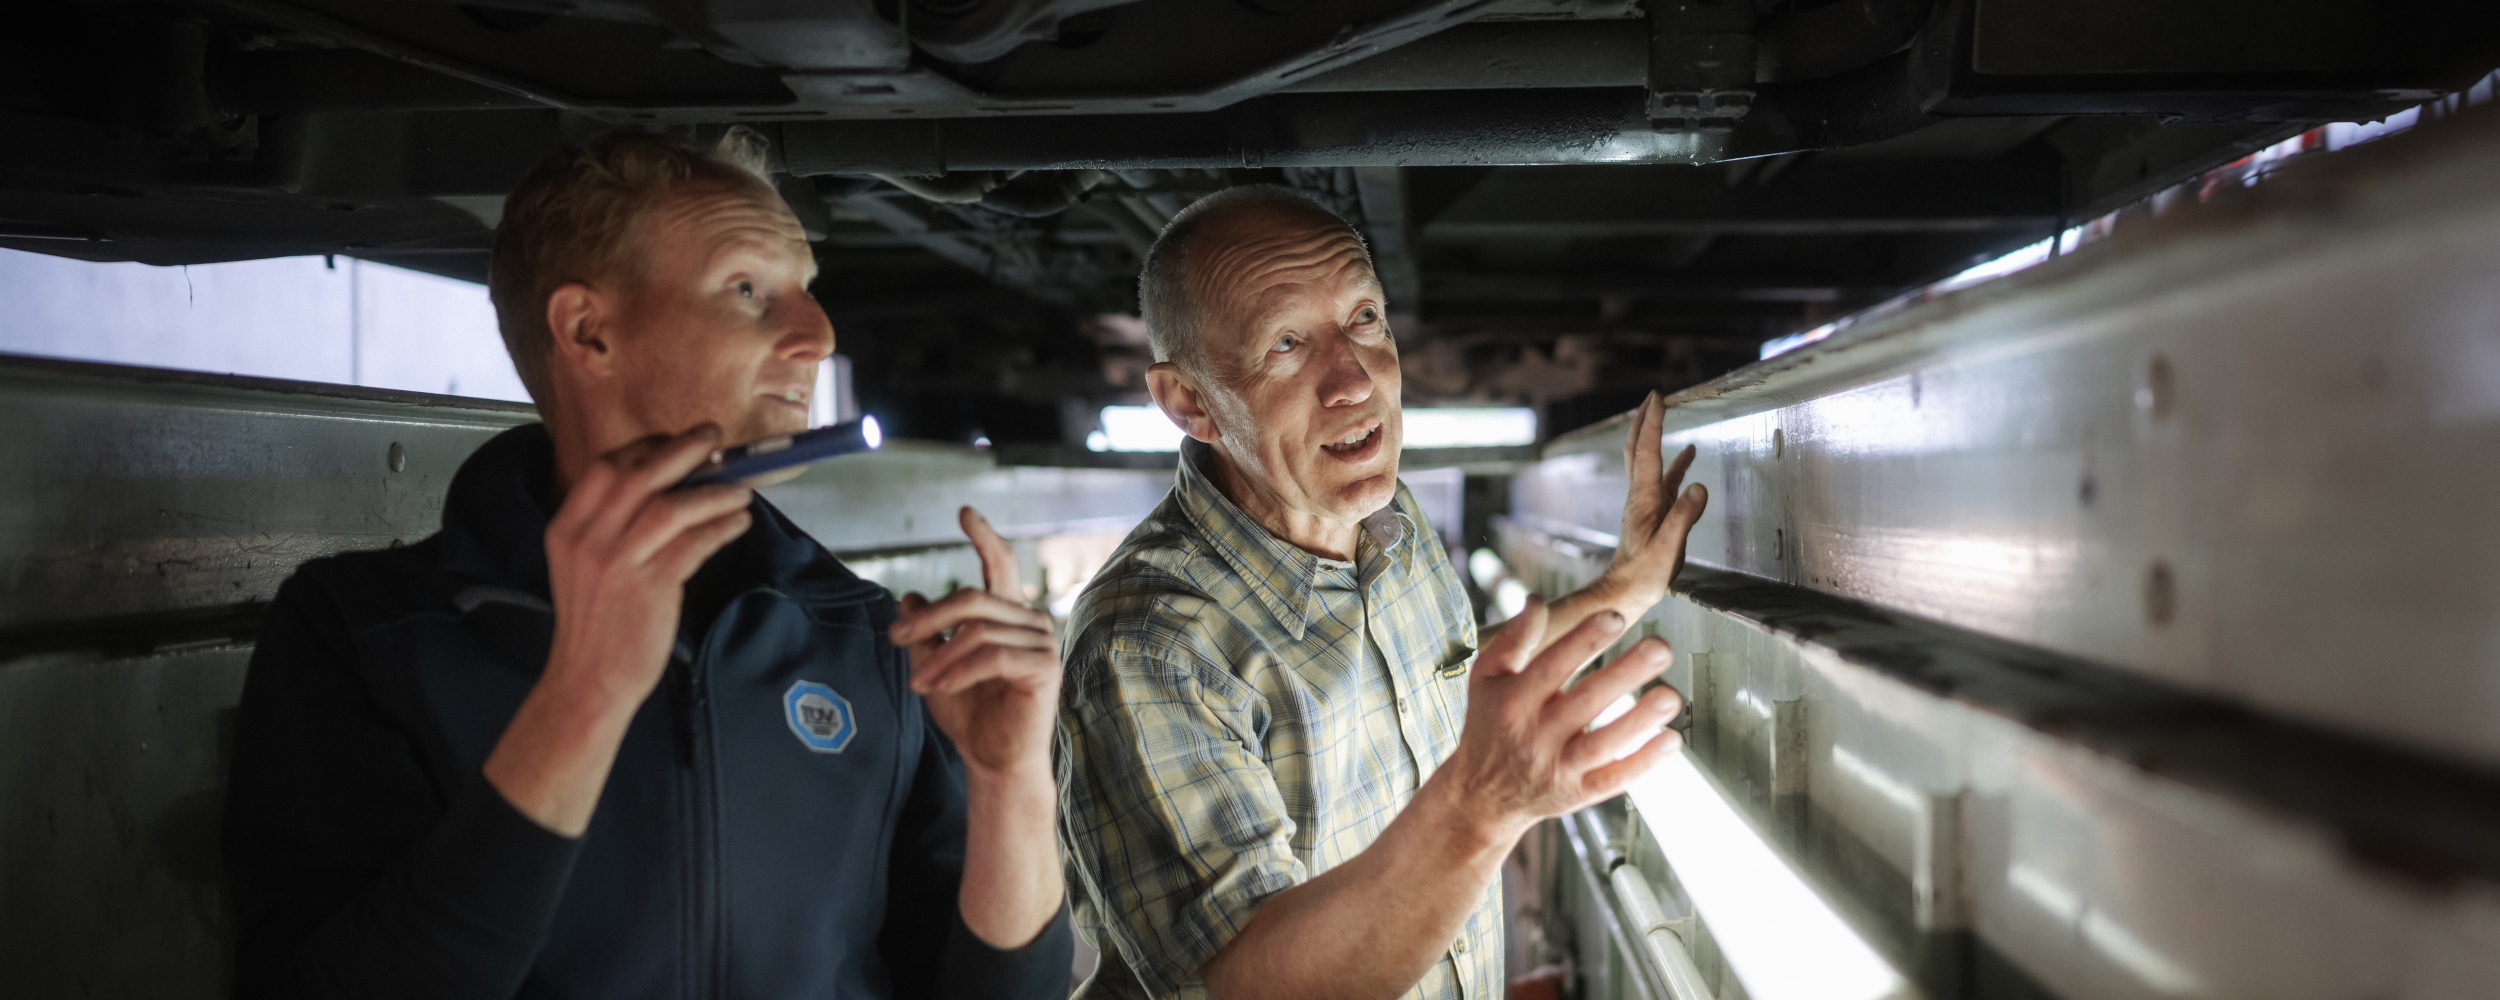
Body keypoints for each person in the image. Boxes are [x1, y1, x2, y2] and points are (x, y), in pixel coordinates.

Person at [222, 129, 1073, 999]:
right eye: (748, 289)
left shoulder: (862, 634)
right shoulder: (365, 634)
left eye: (807, 291)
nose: (817, 334)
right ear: (588, 332)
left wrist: (1013, 786)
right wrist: (583, 692)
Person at [1055, 186, 1710, 1000]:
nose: (1354, 379)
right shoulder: (1149, 643)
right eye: (1287, 344)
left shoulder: (1385, 521)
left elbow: (1460, 674)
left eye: (1364, 319)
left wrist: (1622, 590)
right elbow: (1251, 986)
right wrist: (1482, 810)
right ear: (1190, 402)